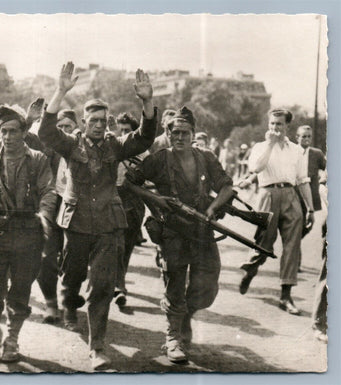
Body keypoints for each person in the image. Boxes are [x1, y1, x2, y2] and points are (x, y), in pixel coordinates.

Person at [38, 62, 157, 370]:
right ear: (84, 121)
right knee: (74, 274)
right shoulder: (70, 143)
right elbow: (45, 131)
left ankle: (97, 347)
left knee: (102, 285)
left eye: (104, 120)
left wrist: (146, 101)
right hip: (76, 223)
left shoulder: (115, 146)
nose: (99, 124)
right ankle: (68, 302)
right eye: (94, 120)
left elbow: (144, 138)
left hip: (108, 224)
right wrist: (61, 91)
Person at [126, 106, 233, 363]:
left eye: (186, 133)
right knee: (174, 282)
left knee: (207, 284)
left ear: (194, 134)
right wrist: (155, 199)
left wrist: (212, 208)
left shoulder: (205, 157)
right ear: (168, 133)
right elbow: (129, 182)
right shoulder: (159, 159)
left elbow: (227, 186)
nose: (180, 137)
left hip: (202, 230)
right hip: (173, 230)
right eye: (175, 133)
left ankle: (185, 317)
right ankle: (174, 337)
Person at [0, 104, 53, 363]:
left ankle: (12, 339)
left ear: (24, 132)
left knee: (20, 289)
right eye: (3, 131)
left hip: (28, 231)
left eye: (13, 131)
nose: (8, 137)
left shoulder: (38, 160)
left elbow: (49, 191)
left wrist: (44, 215)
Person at [239, 109, 315, 316]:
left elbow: (302, 180)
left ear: (287, 126)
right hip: (267, 195)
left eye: (279, 124)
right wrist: (271, 144)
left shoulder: (297, 150)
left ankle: (285, 295)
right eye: (272, 124)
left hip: (290, 195)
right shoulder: (260, 147)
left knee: (292, 245)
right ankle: (252, 268)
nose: (274, 128)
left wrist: (309, 208)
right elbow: (255, 167)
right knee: (263, 241)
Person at [37, 108, 80, 323]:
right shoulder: (48, 150)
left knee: (72, 259)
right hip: (52, 205)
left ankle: (68, 301)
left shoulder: (81, 148)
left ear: (76, 128)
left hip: (76, 207)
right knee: (45, 257)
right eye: (60, 127)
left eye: (68, 127)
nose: (63, 132)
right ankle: (51, 303)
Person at [111, 112, 147, 308]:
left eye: (127, 130)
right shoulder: (113, 148)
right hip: (113, 199)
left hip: (134, 202)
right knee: (116, 244)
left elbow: (149, 180)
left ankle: (119, 283)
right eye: (121, 130)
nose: (123, 133)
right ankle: (119, 287)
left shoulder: (143, 153)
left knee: (127, 246)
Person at [296, 125, 326, 212]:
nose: (307, 139)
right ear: (297, 137)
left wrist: (323, 179)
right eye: (304, 136)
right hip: (296, 193)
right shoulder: (292, 151)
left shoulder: (317, 153)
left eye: (309, 136)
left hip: (312, 194)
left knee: (311, 221)